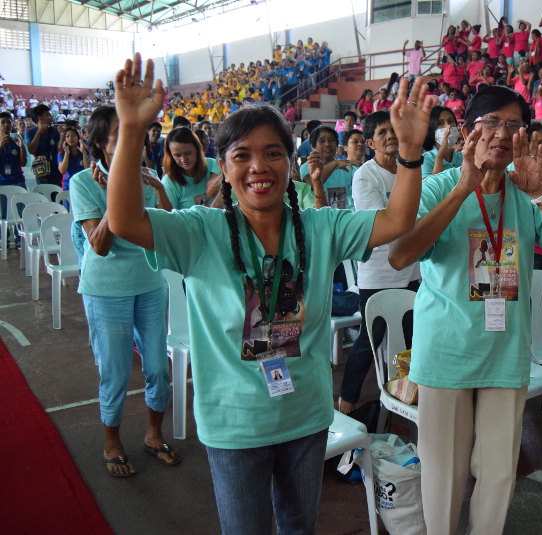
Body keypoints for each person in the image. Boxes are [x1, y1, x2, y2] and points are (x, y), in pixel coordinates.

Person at [106, 53, 434, 535]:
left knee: (300, 528)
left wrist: (408, 153)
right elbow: (125, 222)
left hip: (304, 416)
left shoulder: (320, 228)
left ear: (290, 159)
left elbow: (396, 222)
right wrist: (132, 131)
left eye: (273, 152)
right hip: (234, 424)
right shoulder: (202, 232)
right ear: (224, 166)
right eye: (242, 155)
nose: (259, 166)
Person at [388, 85, 542, 534]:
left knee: (500, 474)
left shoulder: (525, 194)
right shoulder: (439, 186)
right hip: (446, 353)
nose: (503, 134)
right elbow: (400, 255)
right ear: (468, 131)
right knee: (444, 475)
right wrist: (463, 189)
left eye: (515, 125)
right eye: (492, 123)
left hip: (506, 352)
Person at [70, 104, 177, 479]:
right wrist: (118, 195)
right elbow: (98, 245)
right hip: (106, 289)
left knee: (158, 368)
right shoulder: (83, 182)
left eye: (136, 134)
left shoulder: (146, 178)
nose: (133, 141)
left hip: (149, 283)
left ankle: (153, 434)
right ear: (100, 143)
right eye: (120, 135)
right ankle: (112, 440)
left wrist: (160, 188)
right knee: (115, 370)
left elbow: (169, 224)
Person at [337, 111, 422, 414]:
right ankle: (347, 402)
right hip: (377, 274)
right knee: (370, 341)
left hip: (411, 270)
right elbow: (384, 224)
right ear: (371, 142)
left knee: (412, 336)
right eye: (382, 133)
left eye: (393, 132)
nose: (389, 137)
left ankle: (405, 395)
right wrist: (413, 223)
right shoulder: (366, 175)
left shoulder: (408, 171)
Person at [161, 126, 223, 209]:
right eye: (177, 155)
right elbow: (170, 218)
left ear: (197, 149)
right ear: (171, 156)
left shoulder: (212, 165)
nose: (183, 159)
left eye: (188, 153)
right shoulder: (169, 182)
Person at [299, 126, 358, 209]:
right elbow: (309, 185)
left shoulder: (347, 167)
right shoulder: (307, 167)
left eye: (331, 140)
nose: (327, 144)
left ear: (337, 145)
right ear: (313, 146)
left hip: (344, 217)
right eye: (322, 141)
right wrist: (334, 164)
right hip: (318, 217)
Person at [25, 104, 61, 186]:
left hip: (55, 168)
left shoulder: (54, 131)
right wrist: (39, 132)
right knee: (43, 194)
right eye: (48, 115)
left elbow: (59, 150)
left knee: (56, 193)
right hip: (40, 168)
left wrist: (62, 137)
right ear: (39, 117)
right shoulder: (30, 132)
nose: (51, 117)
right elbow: (31, 150)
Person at [422, 106, 463, 178]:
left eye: (450, 121)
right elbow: (431, 187)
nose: (448, 126)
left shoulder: (462, 156)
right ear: (431, 130)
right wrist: (439, 157)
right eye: (440, 123)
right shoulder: (425, 160)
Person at [0, 111, 27, 193]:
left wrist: (22, 147)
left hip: (18, 181)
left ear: (12, 124)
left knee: (22, 205)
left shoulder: (16, 142)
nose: (6, 125)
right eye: (3, 122)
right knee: (4, 206)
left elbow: (23, 163)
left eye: (9, 122)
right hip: (1, 182)